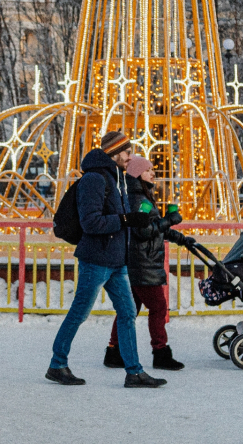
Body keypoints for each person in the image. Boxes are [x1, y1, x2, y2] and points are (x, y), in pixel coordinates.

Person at [47, 132, 166, 389]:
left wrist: (137, 219)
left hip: (116, 260)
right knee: (80, 312)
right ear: (114, 153)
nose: (130, 157)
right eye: (127, 152)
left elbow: (118, 218)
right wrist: (126, 220)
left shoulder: (117, 178)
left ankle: (134, 371)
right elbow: (91, 222)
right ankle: (57, 364)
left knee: (127, 313)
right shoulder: (94, 179)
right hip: (96, 259)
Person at [105, 156, 185, 371]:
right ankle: (160, 352)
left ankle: (113, 351)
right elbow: (142, 230)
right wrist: (169, 220)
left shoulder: (140, 195)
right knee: (158, 307)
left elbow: (152, 226)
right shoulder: (137, 199)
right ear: (136, 173)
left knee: (130, 308)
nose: (153, 173)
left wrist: (179, 237)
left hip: (139, 260)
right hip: (142, 262)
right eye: (148, 170)